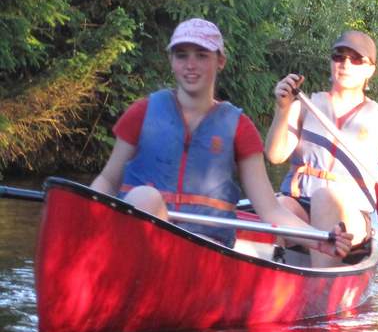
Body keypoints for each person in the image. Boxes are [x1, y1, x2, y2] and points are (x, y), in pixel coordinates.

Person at [90, 18, 351, 258]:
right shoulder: (142, 113)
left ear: (220, 61)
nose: (190, 65)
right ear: (171, 61)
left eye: (202, 56)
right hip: (137, 245)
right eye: (182, 56)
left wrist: (319, 240)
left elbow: (270, 209)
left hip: (205, 252)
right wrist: (81, 217)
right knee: (143, 197)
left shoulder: (239, 127)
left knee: (146, 199)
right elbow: (107, 180)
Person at [264, 30, 378, 267]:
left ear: (370, 69)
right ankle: (274, 271)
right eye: (339, 57)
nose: (346, 64)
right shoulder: (303, 106)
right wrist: (282, 109)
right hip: (299, 206)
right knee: (275, 205)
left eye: (356, 59)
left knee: (325, 197)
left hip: (352, 216)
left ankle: (322, 284)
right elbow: (275, 155)